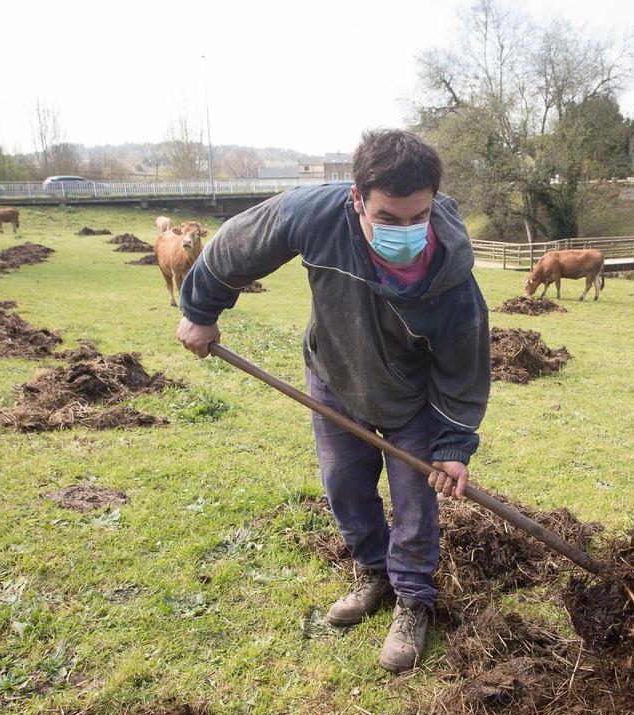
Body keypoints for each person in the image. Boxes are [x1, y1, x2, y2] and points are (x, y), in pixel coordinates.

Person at [175, 129, 490, 673]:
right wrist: (202, 310)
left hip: (410, 398)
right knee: (343, 484)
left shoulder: (454, 280)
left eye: (419, 217)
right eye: (388, 218)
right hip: (334, 374)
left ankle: (413, 599)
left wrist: (453, 444)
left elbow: (462, 372)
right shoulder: (315, 214)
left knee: (414, 501)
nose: (407, 232)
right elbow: (235, 246)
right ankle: (372, 572)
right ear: (357, 199)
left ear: (433, 201)